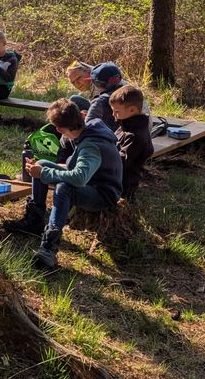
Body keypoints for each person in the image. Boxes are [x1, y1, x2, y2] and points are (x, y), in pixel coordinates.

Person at [8, 99, 122, 268]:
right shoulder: (88, 128)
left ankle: (49, 248)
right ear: (82, 114)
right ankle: (35, 219)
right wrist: (41, 169)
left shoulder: (91, 146)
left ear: (59, 130)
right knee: (42, 164)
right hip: (92, 181)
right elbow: (77, 168)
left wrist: (44, 174)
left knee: (64, 187)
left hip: (103, 193)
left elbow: (79, 178)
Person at [109, 84, 154, 200]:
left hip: (124, 183)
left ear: (132, 110)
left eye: (117, 111)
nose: (113, 115)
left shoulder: (135, 136)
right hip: (116, 176)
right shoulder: (127, 124)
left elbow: (122, 162)